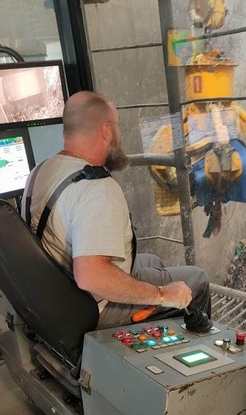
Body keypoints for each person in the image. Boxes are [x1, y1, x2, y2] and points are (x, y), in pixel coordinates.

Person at [22, 91, 211, 328]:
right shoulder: (95, 188)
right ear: (106, 131)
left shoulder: (40, 171)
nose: (119, 137)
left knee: (152, 260)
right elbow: (92, 275)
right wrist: (163, 294)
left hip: (57, 294)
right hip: (94, 308)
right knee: (197, 281)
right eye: (117, 127)